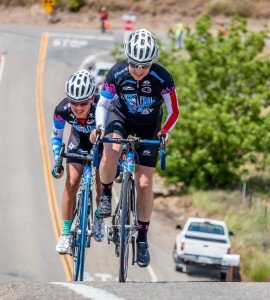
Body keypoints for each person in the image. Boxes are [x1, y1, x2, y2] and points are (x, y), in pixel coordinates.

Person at [91, 29, 180, 267]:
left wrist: (164, 132)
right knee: (111, 151)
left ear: (153, 63)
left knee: (144, 184)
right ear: (127, 59)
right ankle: (107, 194)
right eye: (134, 65)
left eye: (145, 66)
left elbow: (174, 112)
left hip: (149, 125)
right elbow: (102, 103)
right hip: (120, 116)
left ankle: (141, 239)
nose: (139, 71)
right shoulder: (117, 73)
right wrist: (100, 127)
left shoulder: (163, 78)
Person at [51, 70, 105, 255]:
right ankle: (65, 233)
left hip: (101, 142)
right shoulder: (62, 109)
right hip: (79, 140)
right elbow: (56, 137)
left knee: (102, 184)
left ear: (92, 98)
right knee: (71, 182)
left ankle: (98, 217)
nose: (78, 107)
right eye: (74, 102)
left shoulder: (103, 106)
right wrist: (58, 160)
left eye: (83, 103)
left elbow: (116, 133)